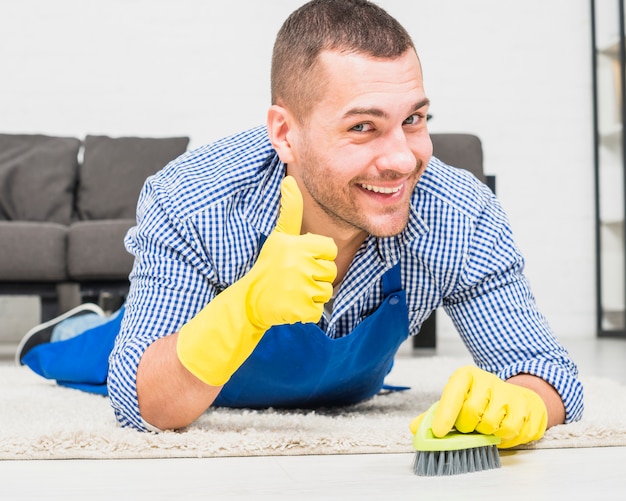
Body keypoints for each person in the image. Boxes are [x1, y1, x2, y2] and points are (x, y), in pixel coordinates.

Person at [17, 0, 582, 448]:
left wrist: (526, 403)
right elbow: (142, 404)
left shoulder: (457, 212)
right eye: (363, 127)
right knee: (80, 353)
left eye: (413, 119)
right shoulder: (194, 198)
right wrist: (246, 307)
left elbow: (543, 370)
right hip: (179, 357)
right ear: (285, 134)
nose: (403, 159)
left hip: (348, 389)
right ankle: (74, 328)